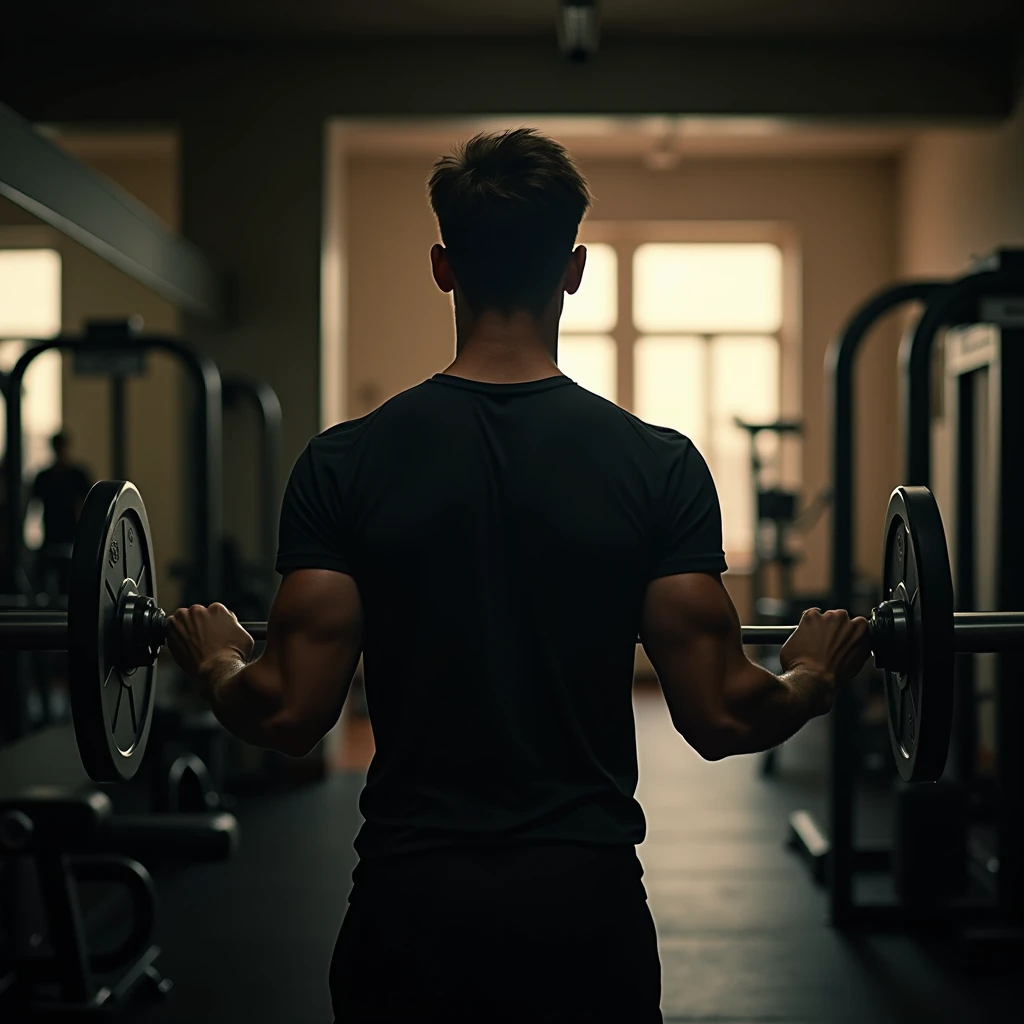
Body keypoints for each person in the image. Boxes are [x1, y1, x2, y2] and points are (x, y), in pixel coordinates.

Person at [166, 128, 872, 1022]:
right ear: (573, 269)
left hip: (409, 908)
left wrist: (217, 658)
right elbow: (723, 713)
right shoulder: (658, 466)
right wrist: (810, 676)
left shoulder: (344, 463)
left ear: (442, 266)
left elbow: (290, 713)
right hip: (585, 914)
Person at [30, 432, 92, 594]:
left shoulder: (74, 476)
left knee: (64, 583)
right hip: (53, 537)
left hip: (68, 536)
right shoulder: (46, 477)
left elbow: (86, 506)